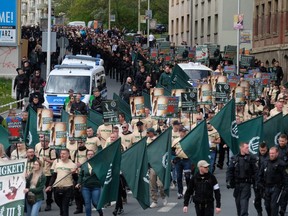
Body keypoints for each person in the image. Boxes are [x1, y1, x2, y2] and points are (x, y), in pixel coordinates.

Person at [226, 142, 258, 216]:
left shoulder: (251, 158)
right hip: (237, 184)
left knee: (244, 202)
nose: (248, 149)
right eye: (246, 147)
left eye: (248, 147)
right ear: (241, 148)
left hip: (246, 184)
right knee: (238, 203)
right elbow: (229, 170)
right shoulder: (234, 158)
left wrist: (256, 183)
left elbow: (256, 172)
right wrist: (228, 181)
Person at [257, 147, 288, 216]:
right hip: (266, 187)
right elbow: (260, 174)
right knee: (267, 206)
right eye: (270, 153)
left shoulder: (282, 164)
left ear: (277, 153)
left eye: (273, 153)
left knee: (274, 206)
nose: (271, 155)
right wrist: (259, 183)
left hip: (276, 187)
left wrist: (286, 189)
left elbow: (285, 177)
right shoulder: (265, 162)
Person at [46, 149, 78, 216]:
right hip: (57, 187)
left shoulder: (72, 165)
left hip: (67, 188)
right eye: (61, 153)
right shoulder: (57, 163)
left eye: (64, 154)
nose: (62, 155)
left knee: (65, 207)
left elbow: (75, 179)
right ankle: (62, 211)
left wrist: (74, 173)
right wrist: (49, 185)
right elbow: (54, 176)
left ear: (68, 155)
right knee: (59, 204)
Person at [76, 150, 103, 216]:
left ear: (94, 155)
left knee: (95, 203)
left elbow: (102, 174)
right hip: (85, 187)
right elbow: (81, 175)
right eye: (88, 154)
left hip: (96, 186)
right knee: (87, 203)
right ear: (86, 156)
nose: (90, 155)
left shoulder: (98, 164)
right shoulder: (84, 164)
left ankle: (100, 213)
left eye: (92, 154)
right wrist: (79, 183)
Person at [147, 128, 167, 208]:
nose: (147, 134)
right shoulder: (146, 141)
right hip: (152, 166)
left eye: (148, 132)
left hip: (159, 165)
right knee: (152, 184)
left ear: (152, 133)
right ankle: (154, 200)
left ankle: (163, 196)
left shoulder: (158, 140)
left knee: (160, 185)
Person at [172, 126, 191, 199]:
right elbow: (172, 150)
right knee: (179, 177)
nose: (184, 133)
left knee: (187, 176)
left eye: (185, 132)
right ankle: (180, 192)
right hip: (178, 160)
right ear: (179, 132)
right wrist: (175, 154)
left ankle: (189, 191)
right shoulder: (175, 140)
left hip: (187, 160)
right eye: (183, 132)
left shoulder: (189, 140)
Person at [254, 142, 269, 216]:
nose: (262, 152)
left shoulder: (270, 157)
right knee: (257, 200)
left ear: (267, 149)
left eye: (264, 150)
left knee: (268, 201)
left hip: (266, 182)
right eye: (261, 150)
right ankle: (259, 212)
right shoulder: (256, 157)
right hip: (257, 182)